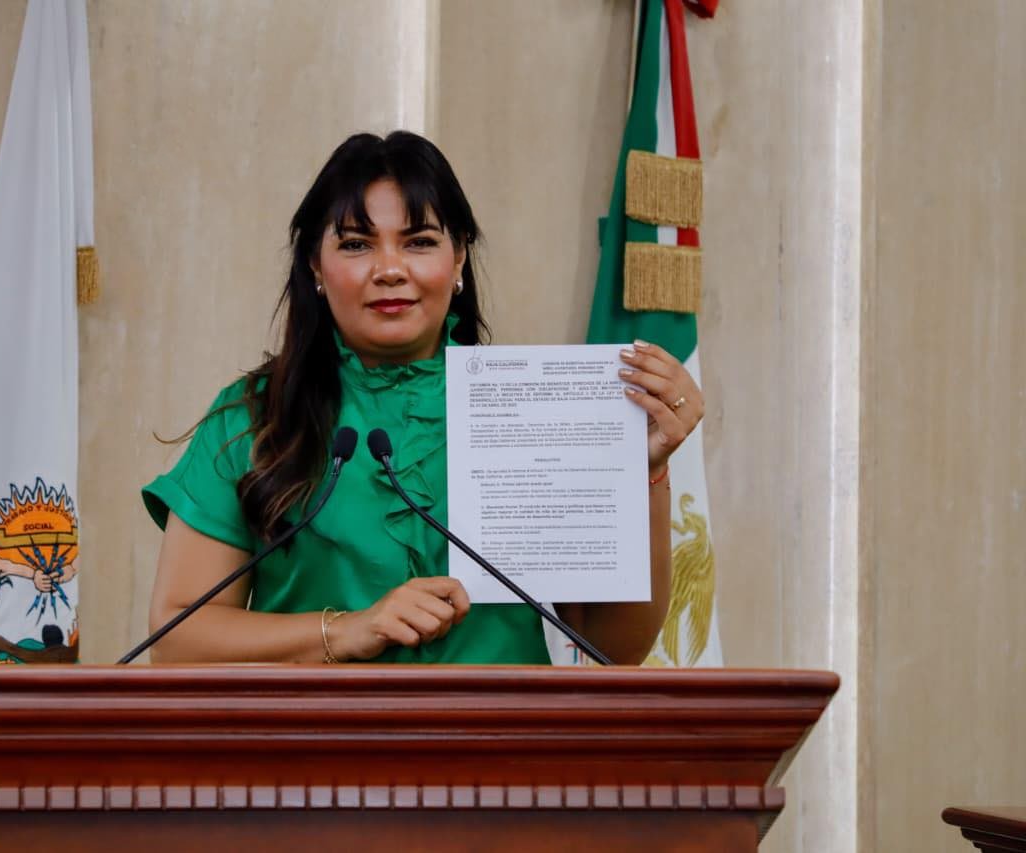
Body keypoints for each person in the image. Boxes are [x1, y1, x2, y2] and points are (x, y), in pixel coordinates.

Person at [141, 131, 703, 665]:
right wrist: (348, 629)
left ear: (458, 259)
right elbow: (177, 640)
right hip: (317, 735)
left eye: (419, 242)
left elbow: (612, 647)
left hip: (501, 733)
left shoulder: (531, 412)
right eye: (356, 244)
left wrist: (642, 472)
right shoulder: (254, 415)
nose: (390, 270)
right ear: (315, 265)